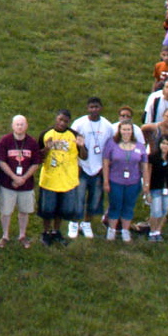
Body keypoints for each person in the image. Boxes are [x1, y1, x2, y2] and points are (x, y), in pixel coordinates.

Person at [0, 114, 43, 248]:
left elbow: (35, 163)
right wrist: (14, 177)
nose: (20, 126)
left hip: (26, 185)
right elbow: (2, 161)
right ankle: (5, 235)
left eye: (22, 124)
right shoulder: (5, 141)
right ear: (12, 126)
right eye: (17, 124)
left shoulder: (32, 142)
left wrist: (23, 178)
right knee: (6, 211)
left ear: (27, 125)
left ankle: (22, 235)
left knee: (24, 211)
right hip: (8, 184)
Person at [36, 109, 83, 245]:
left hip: (67, 180)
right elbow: (39, 157)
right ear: (56, 119)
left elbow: (84, 156)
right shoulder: (45, 134)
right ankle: (46, 232)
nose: (62, 123)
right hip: (50, 179)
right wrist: (46, 149)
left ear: (69, 122)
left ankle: (56, 231)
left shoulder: (76, 135)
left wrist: (82, 146)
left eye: (65, 121)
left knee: (63, 209)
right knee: (47, 209)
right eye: (60, 120)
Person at [71, 97, 114, 239]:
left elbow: (110, 148)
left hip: (99, 169)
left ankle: (87, 223)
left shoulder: (107, 126)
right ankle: (74, 223)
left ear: (101, 108)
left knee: (94, 198)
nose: (94, 109)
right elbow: (71, 145)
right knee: (79, 197)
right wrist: (76, 165)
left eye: (96, 107)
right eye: (91, 107)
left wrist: (105, 167)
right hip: (82, 167)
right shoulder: (79, 124)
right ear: (87, 108)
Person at [99, 120, 147, 241]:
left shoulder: (139, 146)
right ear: (119, 131)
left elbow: (144, 165)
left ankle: (125, 231)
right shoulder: (111, 144)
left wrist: (146, 182)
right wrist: (106, 181)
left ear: (132, 131)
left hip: (133, 182)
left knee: (128, 206)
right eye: (124, 129)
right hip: (115, 181)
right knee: (115, 205)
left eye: (128, 129)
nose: (126, 132)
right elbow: (105, 163)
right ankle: (112, 230)